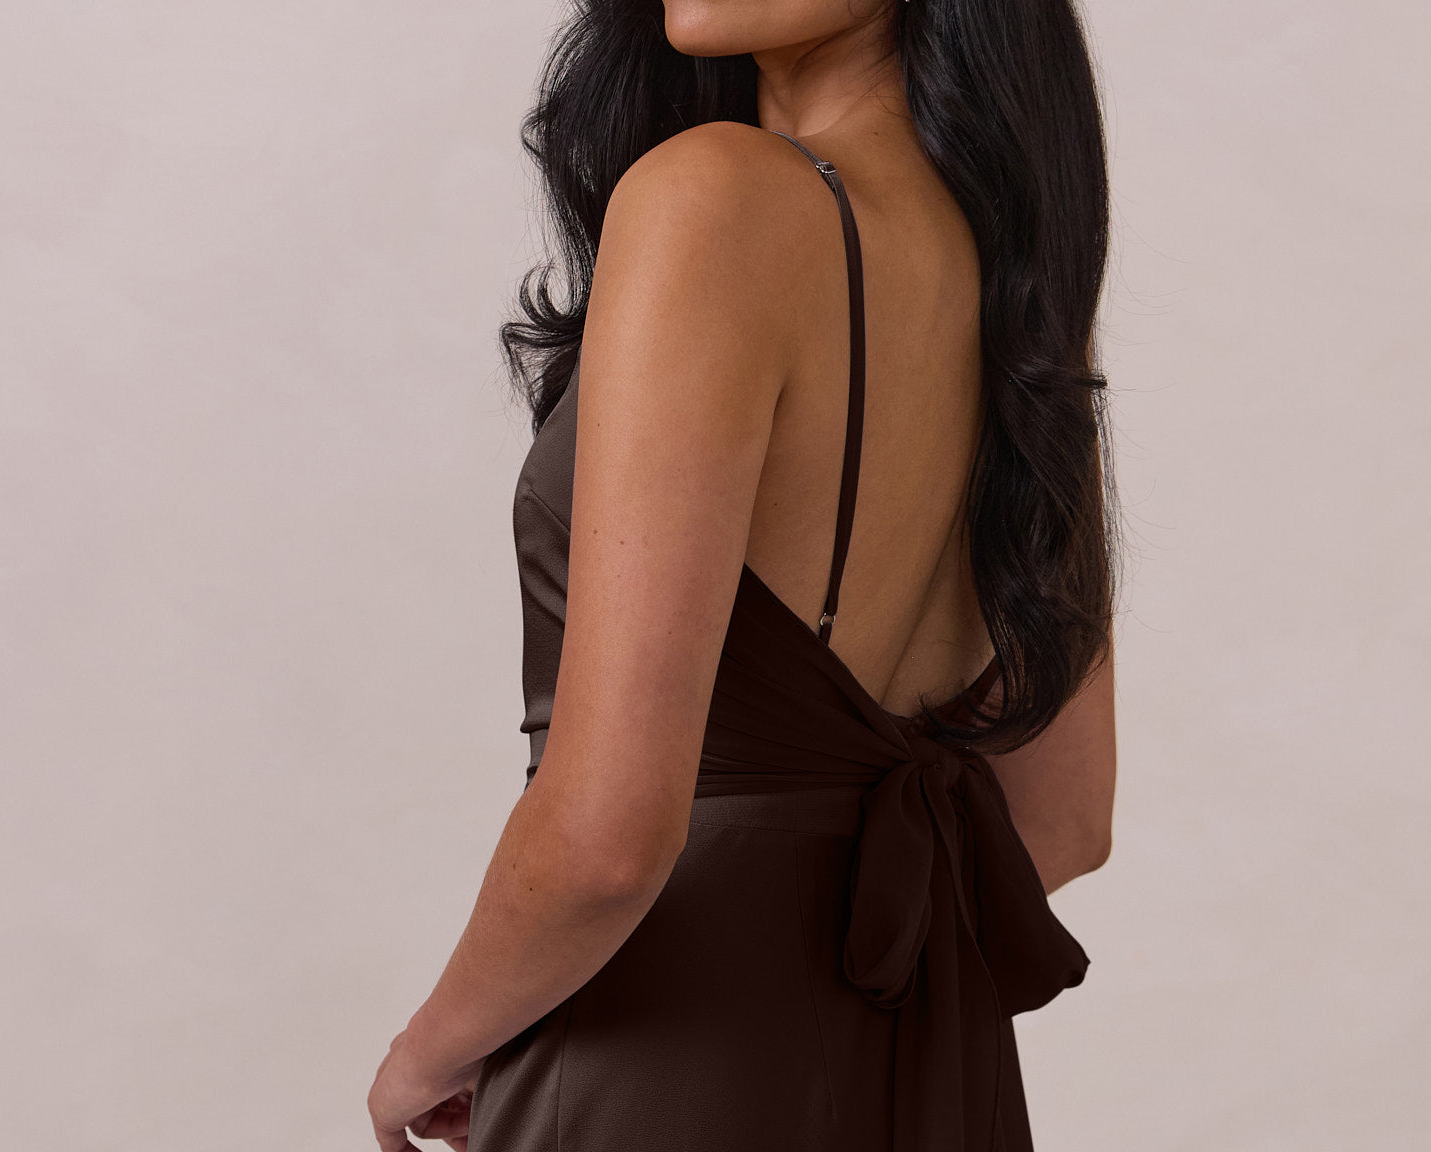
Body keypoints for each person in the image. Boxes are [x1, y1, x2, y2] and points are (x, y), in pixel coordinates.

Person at [369, 0, 1120, 1148]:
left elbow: (606, 841)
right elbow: (1062, 821)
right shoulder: (1020, 279)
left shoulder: (714, 197)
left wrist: (432, 1048)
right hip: (915, 1068)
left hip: (660, 1066)